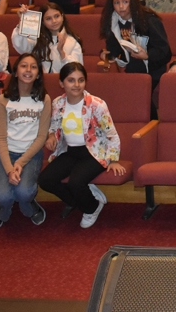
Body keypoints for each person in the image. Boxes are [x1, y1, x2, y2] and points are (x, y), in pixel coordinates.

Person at [39, 62, 124, 229]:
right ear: (61, 83)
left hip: (94, 152)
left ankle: (92, 207)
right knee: (45, 180)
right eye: (71, 80)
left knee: (75, 182)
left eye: (80, 80)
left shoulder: (97, 104)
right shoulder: (58, 103)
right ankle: (83, 199)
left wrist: (113, 159)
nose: (76, 85)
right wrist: (51, 136)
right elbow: (55, 126)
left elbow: (112, 134)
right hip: (70, 151)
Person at [0, 54, 51, 229]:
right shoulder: (3, 100)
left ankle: (28, 205)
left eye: (33, 67)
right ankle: (3, 207)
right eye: (23, 66)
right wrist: (9, 169)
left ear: (38, 74)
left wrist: (20, 163)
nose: (28, 70)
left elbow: (41, 137)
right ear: (15, 72)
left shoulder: (44, 99)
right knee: (3, 196)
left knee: (24, 192)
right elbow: (0, 138)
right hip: (3, 154)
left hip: (30, 155)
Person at [98, 0, 172, 98]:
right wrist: (108, 55)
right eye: (117, 3)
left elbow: (165, 52)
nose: (121, 6)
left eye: (125, 2)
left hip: (153, 69)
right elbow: (115, 50)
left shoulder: (149, 20)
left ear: (132, 2)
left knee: (136, 91)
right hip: (131, 68)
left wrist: (147, 56)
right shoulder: (112, 21)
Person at [12, 3, 84, 74]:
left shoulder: (72, 41)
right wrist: (22, 22)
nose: (54, 21)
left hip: (62, 83)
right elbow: (21, 47)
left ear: (62, 17)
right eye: (48, 18)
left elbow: (76, 71)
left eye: (57, 16)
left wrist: (62, 52)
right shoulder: (36, 39)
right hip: (40, 82)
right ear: (43, 22)